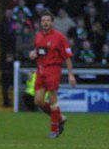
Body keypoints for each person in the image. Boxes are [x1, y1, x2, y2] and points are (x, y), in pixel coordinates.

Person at [29, 10, 77, 138]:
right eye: (43, 20)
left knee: (53, 99)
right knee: (38, 101)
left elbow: (67, 57)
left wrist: (71, 74)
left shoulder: (60, 37)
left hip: (53, 70)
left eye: (48, 20)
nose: (45, 23)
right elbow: (38, 51)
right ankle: (60, 117)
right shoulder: (38, 35)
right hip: (40, 70)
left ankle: (54, 129)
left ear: (52, 22)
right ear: (40, 23)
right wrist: (33, 54)